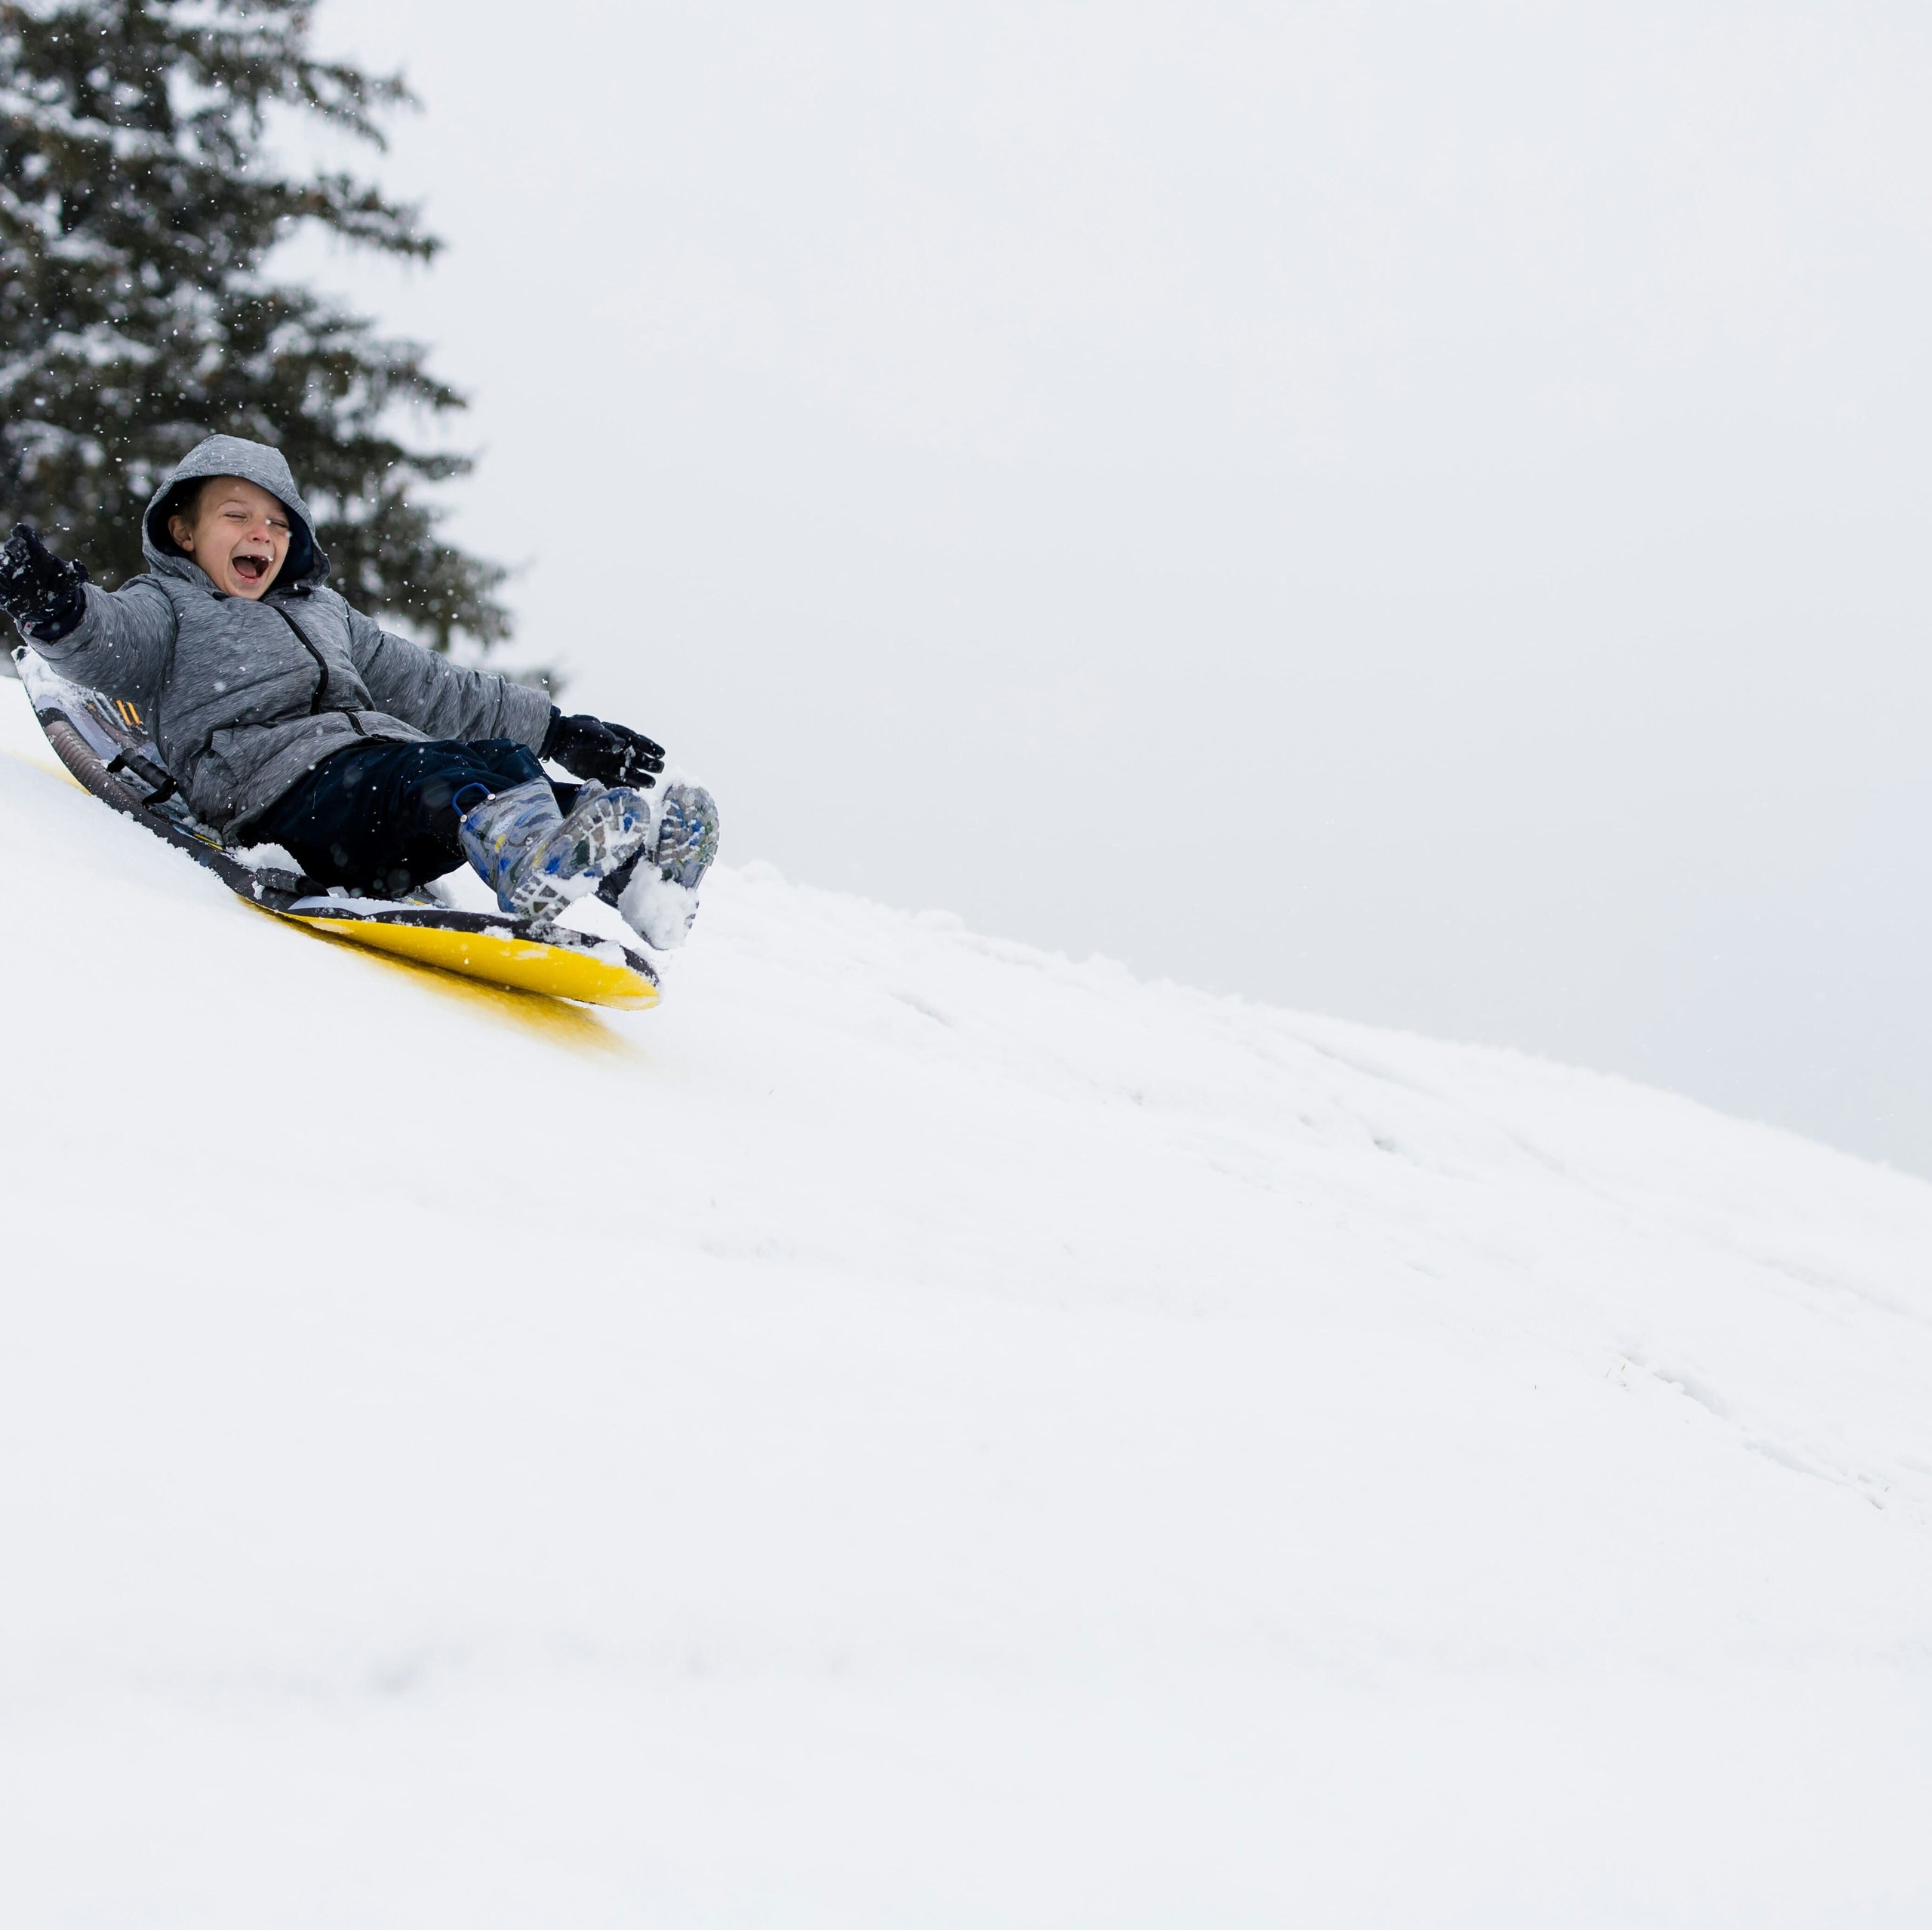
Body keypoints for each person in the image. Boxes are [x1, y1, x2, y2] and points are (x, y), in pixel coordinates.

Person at [0, 435, 715, 945]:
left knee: (494, 761)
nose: (263, 534)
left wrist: (557, 732)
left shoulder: (326, 612)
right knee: (436, 774)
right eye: (237, 515)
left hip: (372, 797)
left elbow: (436, 687)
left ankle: (639, 877)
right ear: (183, 531)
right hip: (277, 796)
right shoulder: (167, 606)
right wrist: (57, 608)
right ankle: (533, 861)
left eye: (279, 523)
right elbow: (105, 643)